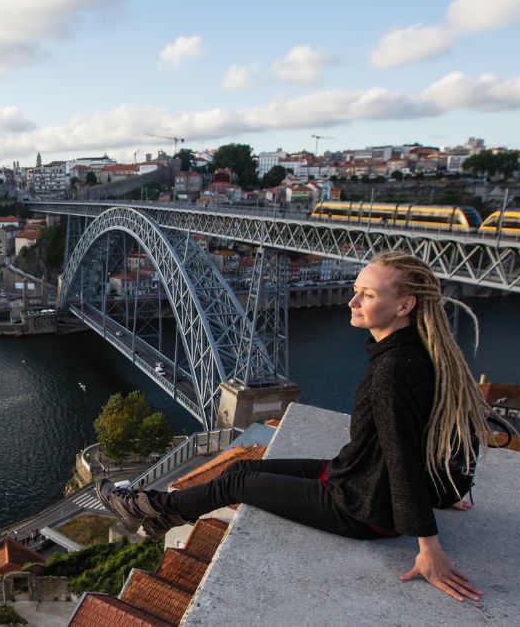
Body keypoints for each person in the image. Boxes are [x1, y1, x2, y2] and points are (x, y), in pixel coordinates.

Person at [98, 251, 497, 602]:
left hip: (363, 509)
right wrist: (443, 492)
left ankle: (145, 507)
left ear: (405, 305)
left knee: (236, 483)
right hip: (356, 478)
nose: (352, 300)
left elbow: (402, 456)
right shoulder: (409, 353)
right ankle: (156, 517)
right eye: (357, 289)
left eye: (368, 295)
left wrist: (429, 548)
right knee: (240, 469)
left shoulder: (394, 369)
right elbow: (436, 429)